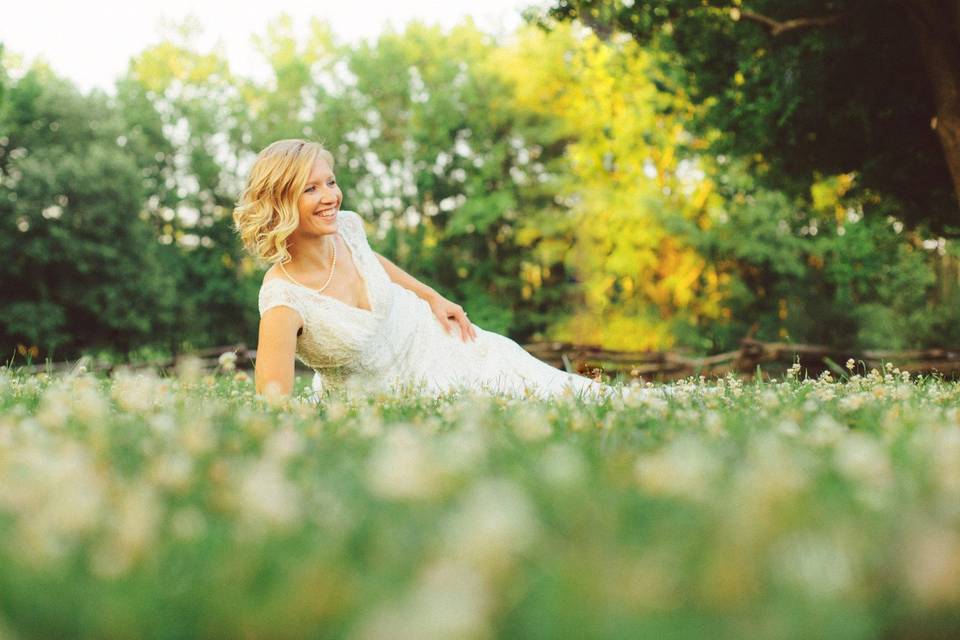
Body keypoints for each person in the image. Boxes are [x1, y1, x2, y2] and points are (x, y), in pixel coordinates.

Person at [232, 139, 642, 402]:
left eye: (331, 182)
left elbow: (374, 262)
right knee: (511, 399)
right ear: (280, 202)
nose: (331, 197)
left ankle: (617, 398)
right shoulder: (284, 302)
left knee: (526, 370)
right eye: (311, 188)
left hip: (437, 339)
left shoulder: (347, 229)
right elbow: (273, 405)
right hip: (400, 389)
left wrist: (433, 297)